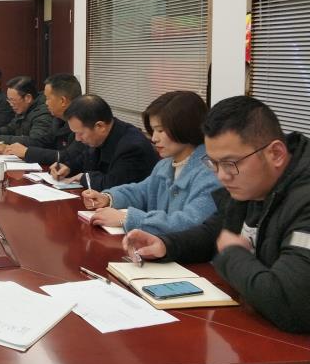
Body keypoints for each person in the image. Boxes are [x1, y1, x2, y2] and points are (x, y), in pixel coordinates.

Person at [124, 96, 310, 333]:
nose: (222, 176)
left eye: (230, 163)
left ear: (275, 153)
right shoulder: (252, 183)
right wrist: (166, 245)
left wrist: (232, 254)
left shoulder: (302, 200)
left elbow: (291, 304)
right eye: (214, 164)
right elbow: (215, 231)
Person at [81, 91, 219, 235]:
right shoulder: (165, 164)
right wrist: (108, 198)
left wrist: (127, 218)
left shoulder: (211, 172)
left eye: (161, 130)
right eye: (153, 130)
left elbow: (190, 222)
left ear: (185, 127)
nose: (154, 138)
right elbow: (142, 191)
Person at [50, 94, 158, 190]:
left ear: (100, 126)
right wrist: (69, 167)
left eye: (80, 133)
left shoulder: (132, 147)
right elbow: (85, 159)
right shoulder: (99, 136)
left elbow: (113, 185)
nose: (77, 138)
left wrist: (84, 177)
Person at [3, 73, 82, 163]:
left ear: (62, 101)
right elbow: (43, 142)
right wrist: (7, 146)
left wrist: (27, 152)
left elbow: (68, 157)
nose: (46, 103)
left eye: (48, 98)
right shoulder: (58, 119)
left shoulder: (81, 124)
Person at [0, 76, 53, 152]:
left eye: (13, 100)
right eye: (9, 100)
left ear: (28, 98)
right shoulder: (23, 108)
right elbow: (10, 129)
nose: (10, 104)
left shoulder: (43, 113)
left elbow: (34, 141)